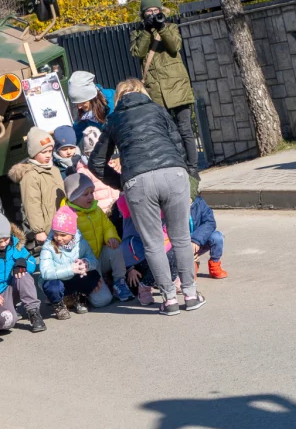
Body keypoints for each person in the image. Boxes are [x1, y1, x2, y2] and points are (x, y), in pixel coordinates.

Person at [88, 78, 204, 316]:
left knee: (152, 244)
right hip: (173, 173)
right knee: (181, 238)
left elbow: (96, 162)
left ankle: (169, 300)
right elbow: (179, 144)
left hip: (137, 181)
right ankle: (191, 295)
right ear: (142, 92)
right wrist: (185, 170)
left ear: (119, 97)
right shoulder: (158, 109)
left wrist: (121, 182)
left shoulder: (114, 120)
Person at [130, 0, 199, 176]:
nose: (152, 14)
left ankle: (193, 169)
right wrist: (146, 31)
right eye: (148, 11)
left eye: (155, 10)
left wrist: (162, 27)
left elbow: (174, 46)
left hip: (178, 88)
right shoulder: (137, 33)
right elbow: (138, 53)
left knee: (185, 130)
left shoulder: (171, 27)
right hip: (156, 92)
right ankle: (178, 167)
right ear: (142, 14)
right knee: (168, 133)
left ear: (161, 10)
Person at [63, 173, 133, 302]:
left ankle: (119, 282)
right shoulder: (66, 216)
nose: (90, 197)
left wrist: (111, 237)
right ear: (73, 197)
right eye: (85, 194)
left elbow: (108, 227)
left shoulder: (96, 210)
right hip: (85, 265)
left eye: (91, 192)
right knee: (103, 301)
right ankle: (83, 290)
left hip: (100, 256)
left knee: (115, 248)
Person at [0, 213, 46, 333]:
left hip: (8, 289)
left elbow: (32, 262)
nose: (3, 244)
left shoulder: (15, 244)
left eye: (6, 239)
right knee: (8, 322)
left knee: (24, 274)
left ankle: (34, 312)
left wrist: (23, 262)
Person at [39, 206, 113, 319]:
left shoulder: (81, 243)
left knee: (93, 275)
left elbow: (94, 261)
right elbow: (45, 272)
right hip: (59, 281)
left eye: (63, 235)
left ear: (72, 233)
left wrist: (86, 264)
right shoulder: (48, 246)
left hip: (75, 279)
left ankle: (80, 296)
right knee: (52, 286)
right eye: (55, 233)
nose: (58, 238)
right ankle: (58, 304)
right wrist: (70, 269)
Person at [8, 127, 65, 253]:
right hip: (48, 227)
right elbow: (32, 204)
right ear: (34, 153)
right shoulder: (30, 175)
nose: (48, 155)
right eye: (44, 152)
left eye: (50, 151)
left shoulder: (54, 170)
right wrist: (39, 230)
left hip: (63, 222)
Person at [116, 194, 180, 306]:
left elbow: (167, 234)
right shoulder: (130, 212)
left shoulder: (159, 210)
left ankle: (171, 280)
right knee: (153, 260)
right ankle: (144, 288)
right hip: (136, 259)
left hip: (157, 252)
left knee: (171, 254)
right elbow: (122, 200)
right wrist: (129, 268)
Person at [54, 125, 119, 214]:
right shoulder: (82, 169)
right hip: (100, 211)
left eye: (71, 148)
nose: (69, 152)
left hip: (118, 206)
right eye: (64, 149)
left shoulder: (112, 162)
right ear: (87, 153)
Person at [190, 184, 228, 279]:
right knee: (190, 278)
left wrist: (196, 239)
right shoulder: (173, 206)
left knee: (217, 237)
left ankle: (214, 264)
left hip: (199, 241)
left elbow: (210, 222)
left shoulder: (199, 203)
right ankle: (192, 263)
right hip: (182, 247)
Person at [68, 70, 115, 138]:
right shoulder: (86, 115)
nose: (79, 107)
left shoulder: (115, 101)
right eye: (77, 103)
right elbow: (75, 135)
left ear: (93, 98)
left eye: (83, 102)